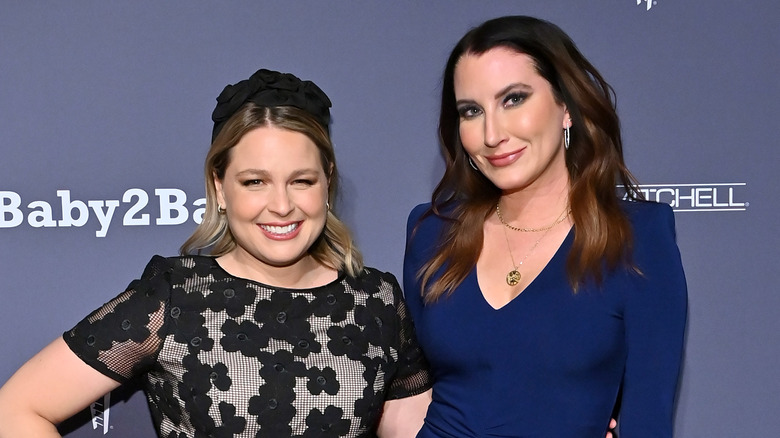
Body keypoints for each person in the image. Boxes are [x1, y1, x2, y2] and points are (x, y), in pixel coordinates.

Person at [0, 69, 432, 437]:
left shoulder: (377, 301)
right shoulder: (175, 297)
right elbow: (17, 409)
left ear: (328, 182)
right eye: (254, 182)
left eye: (301, 180)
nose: (281, 205)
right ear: (219, 188)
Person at [403, 16, 687, 437]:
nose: (492, 133)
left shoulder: (637, 236)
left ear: (566, 107)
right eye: (471, 111)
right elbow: (410, 393)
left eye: (513, 100)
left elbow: (650, 420)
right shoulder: (431, 232)